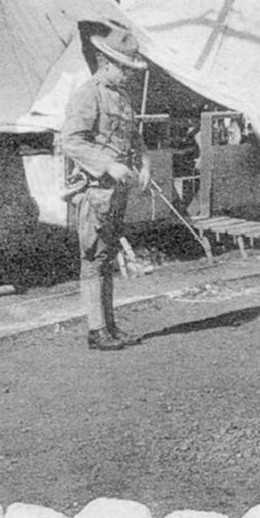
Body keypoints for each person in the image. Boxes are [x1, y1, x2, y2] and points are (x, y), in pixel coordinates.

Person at [60, 23, 152, 351]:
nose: (129, 75)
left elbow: (134, 136)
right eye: (125, 69)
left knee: (107, 256)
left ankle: (109, 326)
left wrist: (144, 162)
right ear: (106, 62)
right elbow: (71, 141)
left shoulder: (122, 97)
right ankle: (96, 329)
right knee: (93, 258)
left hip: (115, 193)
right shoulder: (89, 93)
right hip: (95, 191)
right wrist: (108, 164)